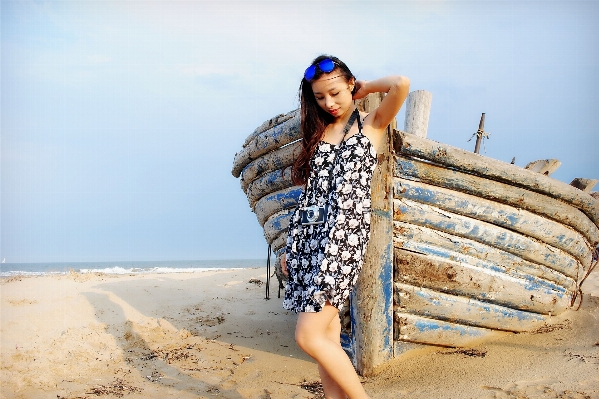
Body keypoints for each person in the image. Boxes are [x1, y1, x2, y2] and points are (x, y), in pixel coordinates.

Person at [280, 55, 410, 399]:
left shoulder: (371, 125)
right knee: (328, 335)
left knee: (307, 337)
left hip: (343, 239)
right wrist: (290, 248)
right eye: (320, 97)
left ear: (351, 84)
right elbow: (311, 196)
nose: (329, 103)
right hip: (308, 240)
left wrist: (366, 88)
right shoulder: (319, 132)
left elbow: (401, 84)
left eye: (335, 93)